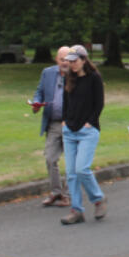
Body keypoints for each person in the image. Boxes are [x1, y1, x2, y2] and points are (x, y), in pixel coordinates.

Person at [60, 45, 108, 225]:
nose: (72, 64)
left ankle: (98, 199)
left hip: (87, 130)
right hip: (69, 130)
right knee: (71, 173)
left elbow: (99, 103)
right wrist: (64, 120)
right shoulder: (69, 78)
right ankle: (76, 210)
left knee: (82, 169)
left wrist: (90, 121)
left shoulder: (94, 78)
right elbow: (65, 101)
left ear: (84, 60)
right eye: (70, 61)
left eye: (75, 60)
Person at [31, 46, 72, 207]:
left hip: (71, 124)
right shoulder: (47, 73)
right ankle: (56, 192)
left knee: (72, 161)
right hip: (53, 123)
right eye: (62, 60)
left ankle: (68, 195)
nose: (65, 63)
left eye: (68, 60)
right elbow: (39, 91)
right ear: (56, 59)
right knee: (50, 158)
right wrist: (36, 103)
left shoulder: (76, 75)